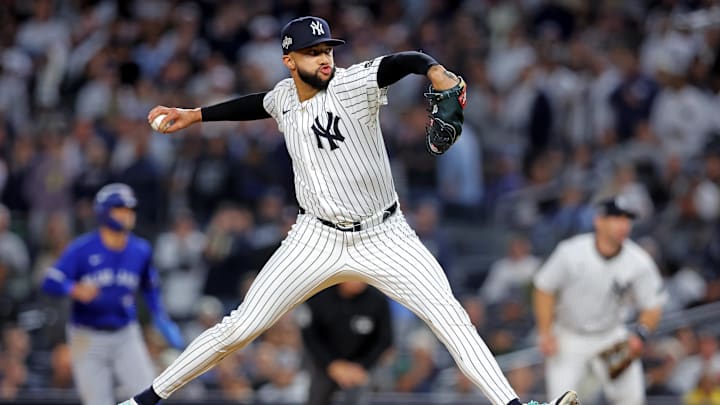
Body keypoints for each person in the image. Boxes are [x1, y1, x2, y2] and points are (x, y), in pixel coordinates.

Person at [120, 16, 578, 405]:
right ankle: (143, 401)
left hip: (384, 235)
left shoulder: (354, 83)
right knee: (239, 327)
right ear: (289, 61)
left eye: (327, 49)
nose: (324, 58)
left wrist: (435, 70)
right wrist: (194, 115)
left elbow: (405, 61)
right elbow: (253, 105)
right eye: (312, 52)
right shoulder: (283, 96)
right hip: (314, 238)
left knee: (450, 316)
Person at [41, 183, 184, 405]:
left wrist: (160, 317)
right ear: (104, 212)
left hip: (125, 333)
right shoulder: (82, 248)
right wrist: (73, 288)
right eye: (120, 209)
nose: (127, 214)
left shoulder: (140, 250)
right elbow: (50, 280)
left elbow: (149, 286)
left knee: (151, 396)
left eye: (130, 209)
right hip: (87, 336)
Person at [533, 196, 666, 404]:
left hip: (611, 337)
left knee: (631, 399)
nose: (623, 224)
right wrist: (545, 331)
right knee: (560, 401)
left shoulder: (638, 261)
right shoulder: (571, 251)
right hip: (569, 336)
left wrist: (641, 334)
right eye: (616, 218)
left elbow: (652, 304)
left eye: (627, 219)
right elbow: (544, 288)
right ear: (599, 221)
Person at [298, 281, 392, 405]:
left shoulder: (377, 300)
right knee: (317, 396)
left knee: (360, 396)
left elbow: (384, 339)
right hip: (324, 365)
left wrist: (362, 365)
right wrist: (332, 364)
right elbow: (310, 336)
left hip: (360, 368)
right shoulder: (319, 296)